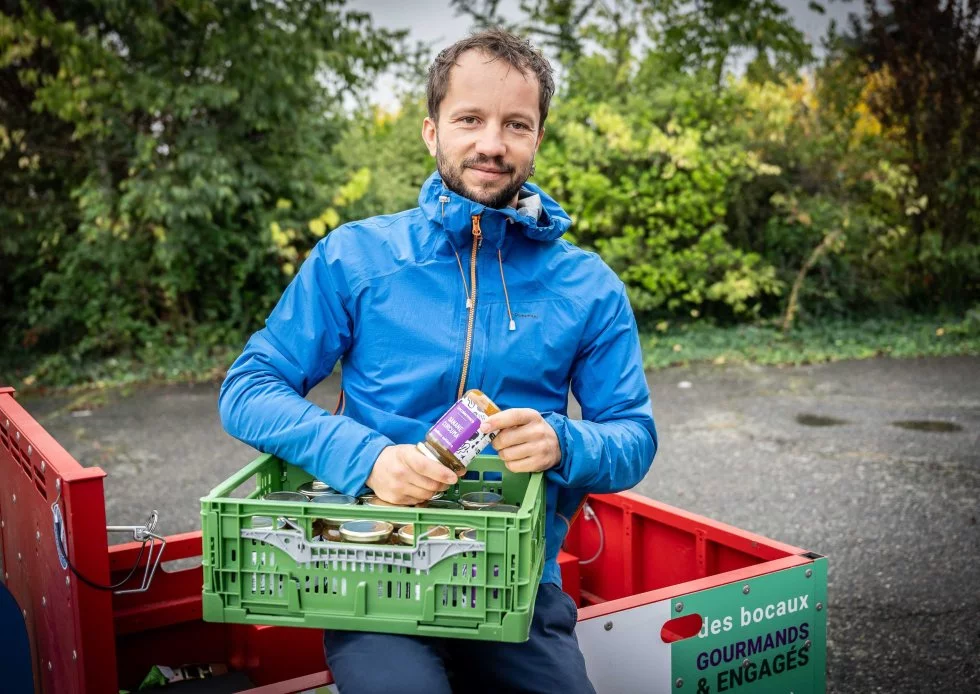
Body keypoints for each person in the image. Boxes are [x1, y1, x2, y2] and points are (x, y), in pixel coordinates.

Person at [219, 28, 656, 694]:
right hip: (370, 565)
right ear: (431, 132)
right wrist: (369, 459)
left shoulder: (588, 286)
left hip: (512, 581)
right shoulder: (356, 257)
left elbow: (633, 436)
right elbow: (249, 389)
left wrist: (565, 440)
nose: (492, 143)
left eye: (516, 123)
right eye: (470, 120)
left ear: (537, 139)